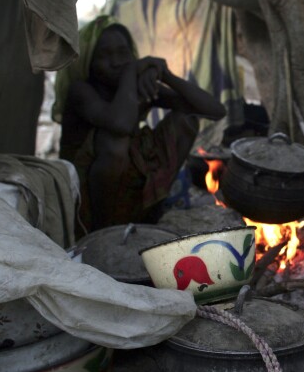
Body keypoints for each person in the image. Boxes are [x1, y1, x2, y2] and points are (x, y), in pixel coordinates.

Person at [54, 16, 226, 233]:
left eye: (122, 53)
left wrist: (166, 75)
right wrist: (130, 71)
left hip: (127, 186)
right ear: (89, 61)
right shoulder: (82, 91)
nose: (116, 61)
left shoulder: (136, 85)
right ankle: (101, 231)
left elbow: (215, 111)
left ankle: (151, 209)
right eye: (104, 55)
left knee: (185, 119)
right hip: (86, 196)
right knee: (114, 142)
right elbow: (120, 125)